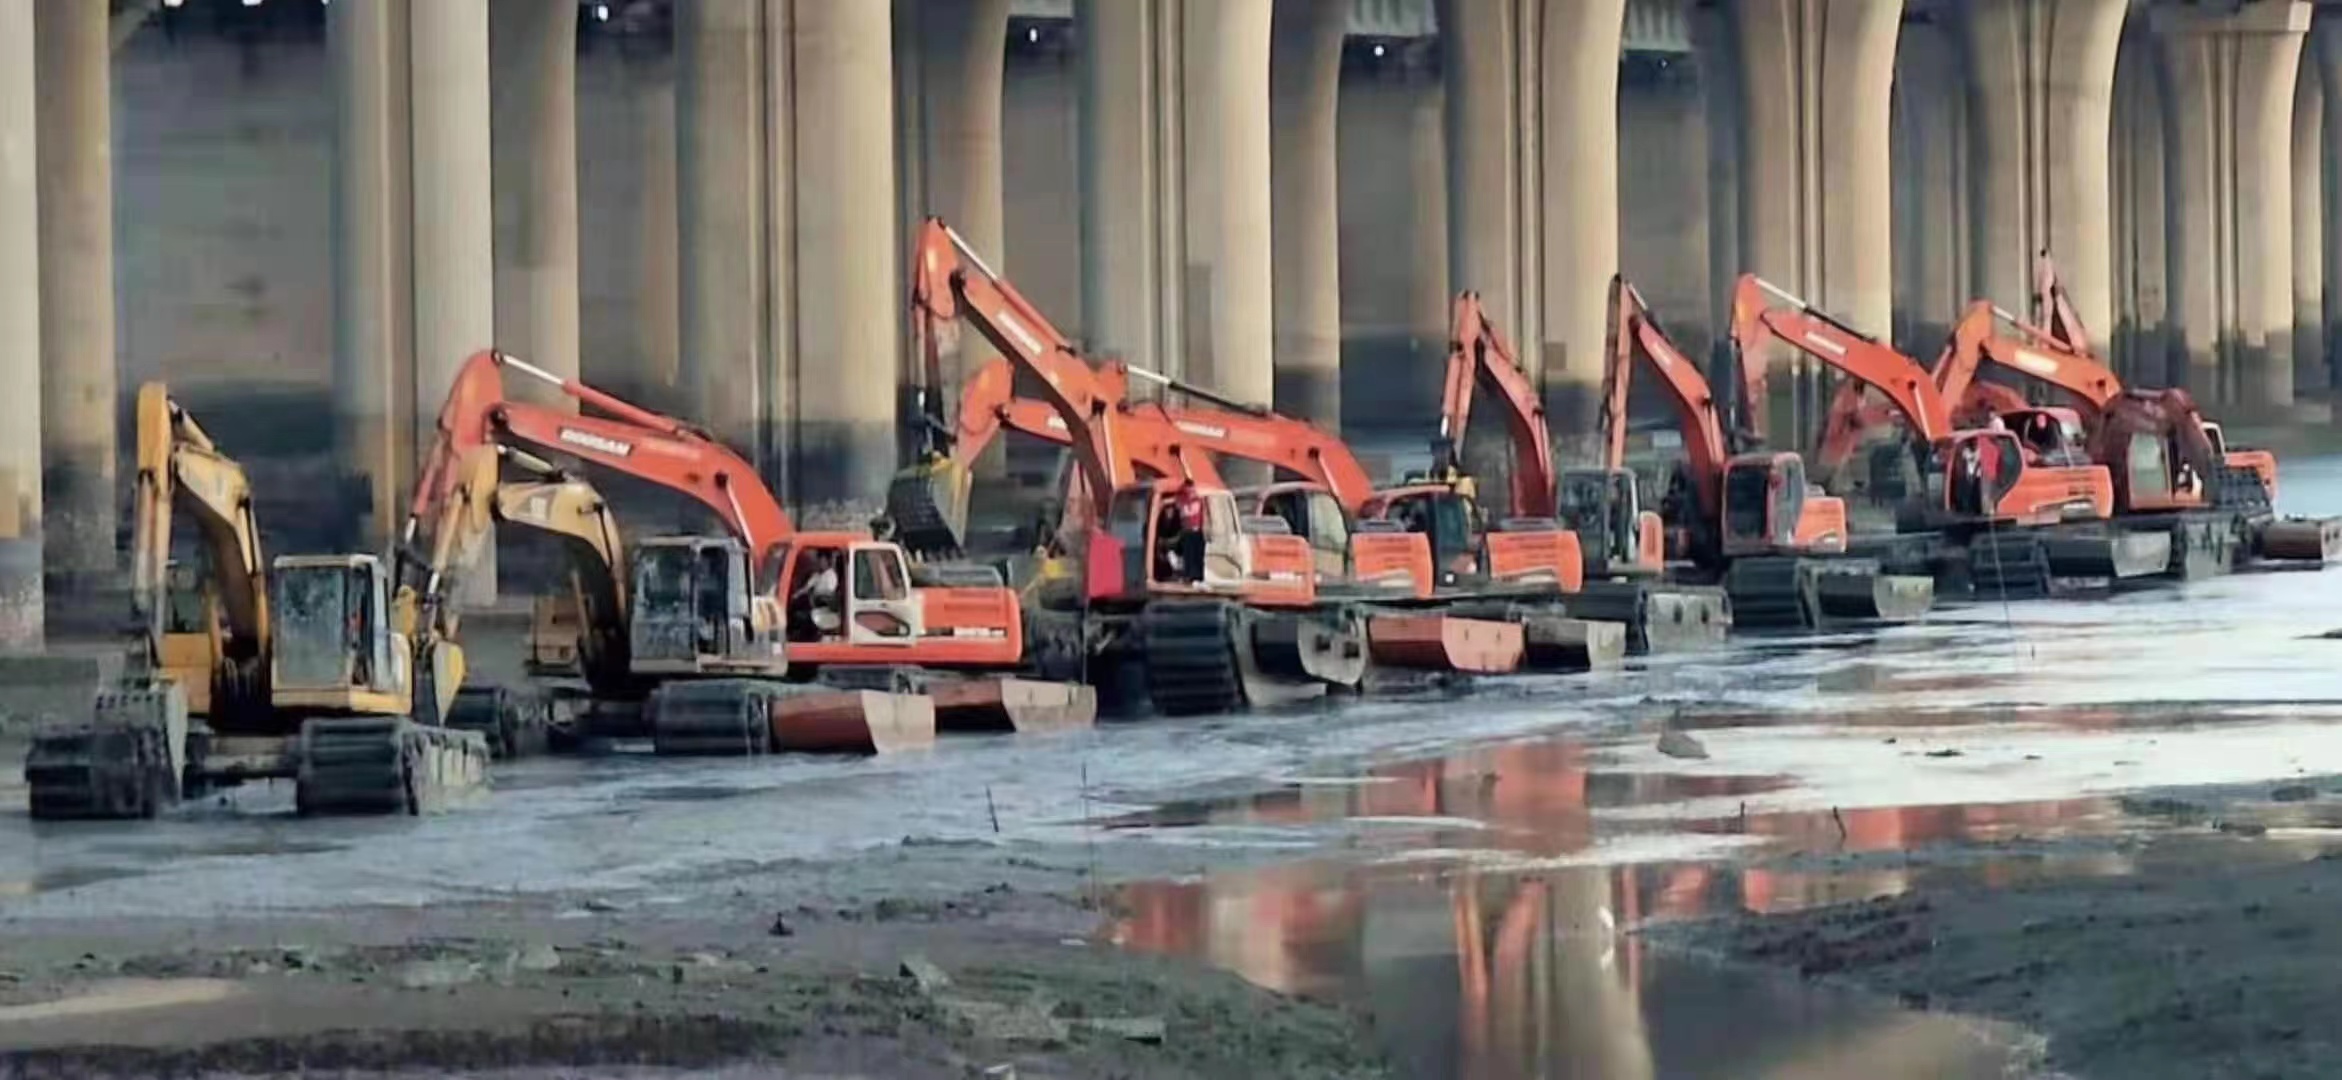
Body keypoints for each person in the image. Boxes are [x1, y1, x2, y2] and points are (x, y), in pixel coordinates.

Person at [792, 552, 842, 639]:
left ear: (827, 561)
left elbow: (828, 593)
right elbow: (806, 588)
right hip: (812, 603)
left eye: (822, 561)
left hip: (825, 607)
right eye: (819, 561)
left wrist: (815, 595)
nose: (820, 564)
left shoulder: (831, 575)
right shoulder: (816, 575)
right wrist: (795, 595)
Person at [1174, 480, 1208, 583]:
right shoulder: (1181, 499)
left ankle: (1199, 576)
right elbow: (1178, 508)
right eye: (1188, 490)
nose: (1190, 492)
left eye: (1192, 490)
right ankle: (1189, 575)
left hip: (1197, 530)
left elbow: (1204, 514)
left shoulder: (1199, 499)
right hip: (1187, 532)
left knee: (1198, 555)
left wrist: (1204, 527)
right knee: (1188, 555)